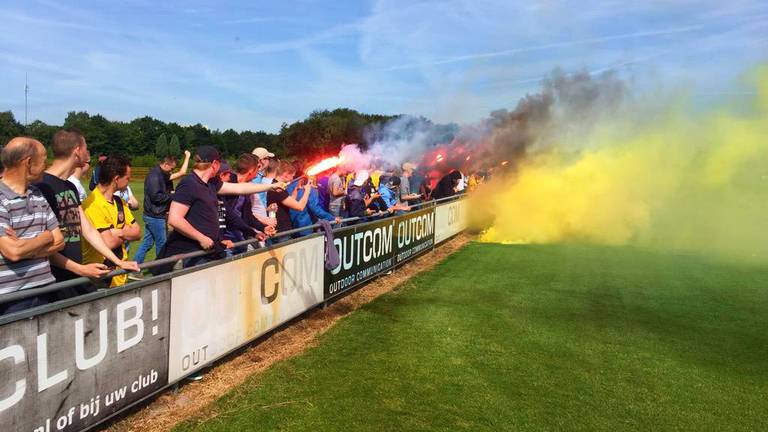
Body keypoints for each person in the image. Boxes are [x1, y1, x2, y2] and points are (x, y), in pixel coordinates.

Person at [36, 129, 139, 295]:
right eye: (86, 148)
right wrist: (81, 269)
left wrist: (118, 261)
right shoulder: (41, 187)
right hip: (53, 281)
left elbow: (88, 230)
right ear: (77, 151)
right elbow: (44, 247)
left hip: (75, 276)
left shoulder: (70, 187)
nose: (88, 153)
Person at [160, 146, 284, 270]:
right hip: (193, 254)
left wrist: (271, 187)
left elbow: (240, 188)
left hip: (209, 251)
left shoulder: (211, 183)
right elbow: (174, 219)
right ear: (215, 164)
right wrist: (201, 238)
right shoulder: (189, 183)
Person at [0, 137, 65, 315]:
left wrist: (24, 247)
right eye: (44, 160)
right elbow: (13, 252)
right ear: (28, 162)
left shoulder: (38, 194)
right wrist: (45, 237)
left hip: (42, 292)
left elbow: (59, 241)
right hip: (11, 300)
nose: (46, 165)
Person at [81, 155, 142, 287]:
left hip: (120, 276)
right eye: (127, 178)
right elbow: (108, 242)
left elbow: (137, 232)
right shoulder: (92, 204)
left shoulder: (119, 202)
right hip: (101, 278)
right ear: (116, 179)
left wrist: (116, 232)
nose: (129, 182)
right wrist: (125, 231)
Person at [220, 154, 273, 254]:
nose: (258, 174)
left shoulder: (247, 190)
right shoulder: (227, 183)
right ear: (251, 170)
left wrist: (262, 228)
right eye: (257, 169)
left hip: (239, 239)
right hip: (225, 242)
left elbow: (248, 216)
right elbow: (227, 215)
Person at [134, 154, 178, 265]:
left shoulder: (159, 174)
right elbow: (156, 197)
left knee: (147, 243)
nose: (172, 172)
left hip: (153, 214)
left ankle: (134, 267)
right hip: (155, 215)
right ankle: (161, 269)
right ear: (166, 164)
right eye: (171, 169)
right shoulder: (155, 176)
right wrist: (172, 195)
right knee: (162, 244)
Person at [266, 161, 312, 243]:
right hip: (281, 232)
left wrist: (296, 189)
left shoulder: (276, 186)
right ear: (286, 174)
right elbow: (300, 207)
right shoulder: (278, 190)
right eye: (292, 176)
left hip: (281, 231)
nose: (292, 179)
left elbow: (289, 201)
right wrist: (307, 190)